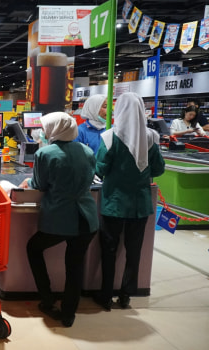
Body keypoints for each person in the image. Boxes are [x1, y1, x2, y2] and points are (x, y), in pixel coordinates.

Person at [19, 112, 98, 328]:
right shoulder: (87, 151)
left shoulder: (45, 153)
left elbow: (39, 185)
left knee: (34, 248)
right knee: (75, 265)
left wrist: (28, 182)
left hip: (61, 218)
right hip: (87, 218)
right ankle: (68, 313)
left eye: (46, 128)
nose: (43, 132)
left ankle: (47, 298)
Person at [94, 92, 165, 311]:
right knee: (134, 252)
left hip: (113, 203)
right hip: (140, 205)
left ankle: (105, 295)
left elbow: (100, 169)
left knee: (109, 250)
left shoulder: (109, 137)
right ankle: (126, 295)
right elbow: (159, 169)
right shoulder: (151, 137)